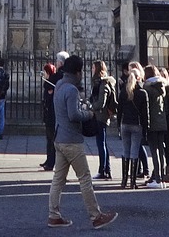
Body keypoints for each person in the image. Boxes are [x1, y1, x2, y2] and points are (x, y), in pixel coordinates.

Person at [47, 54, 118, 229]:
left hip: (59, 138)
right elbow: (74, 115)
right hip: (71, 140)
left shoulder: (59, 85)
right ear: (78, 72)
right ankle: (96, 216)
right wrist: (89, 114)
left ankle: (53, 215)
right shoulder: (71, 89)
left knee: (58, 179)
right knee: (85, 177)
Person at [117, 61, 148, 190]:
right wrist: (146, 129)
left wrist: (119, 125)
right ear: (139, 77)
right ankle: (133, 182)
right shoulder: (142, 93)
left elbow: (119, 110)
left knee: (125, 151)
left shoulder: (124, 92)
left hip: (125, 124)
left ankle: (124, 180)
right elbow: (145, 114)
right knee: (134, 152)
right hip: (136, 124)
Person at [142, 64, 169, 187]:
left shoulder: (148, 89)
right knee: (161, 151)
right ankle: (162, 178)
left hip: (152, 122)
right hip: (162, 122)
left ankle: (157, 179)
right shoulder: (162, 87)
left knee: (154, 151)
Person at [90, 60, 117, 181]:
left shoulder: (103, 84)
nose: (91, 70)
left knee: (101, 144)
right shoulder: (98, 83)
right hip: (99, 116)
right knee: (102, 143)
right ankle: (106, 170)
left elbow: (101, 102)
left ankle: (103, 170)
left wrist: (92, 106)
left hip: (101, 116)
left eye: (93, 68)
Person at [40, 62, 58, 170]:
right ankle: (48, 159)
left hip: (52, 115)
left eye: (46, 72)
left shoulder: (51, 83)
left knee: (51, 139)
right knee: (48, 139)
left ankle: (51, 161)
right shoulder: (49, 83)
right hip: (48, 114)